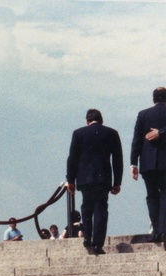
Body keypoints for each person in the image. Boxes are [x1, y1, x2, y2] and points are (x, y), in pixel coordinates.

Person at [67, 108, 123, 255]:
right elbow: (117, 159)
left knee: (86, 207)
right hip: (103, 178)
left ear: (87, 121)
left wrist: (70, 180)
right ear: (101, 120)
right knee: (101, 210)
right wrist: (117, 182)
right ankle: (98, 244)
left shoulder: (78, 133)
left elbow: (72, 158)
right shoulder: (112, 133)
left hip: (85, 178)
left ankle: (87, 237)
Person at [130, 87, 166, 242]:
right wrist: (162, 132)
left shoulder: (143, 114)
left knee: (152, 197)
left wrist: (133, 163)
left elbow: (136, 140)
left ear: (153, 99)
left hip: (147, 163)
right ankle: (164, 231)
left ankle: (157, 232)